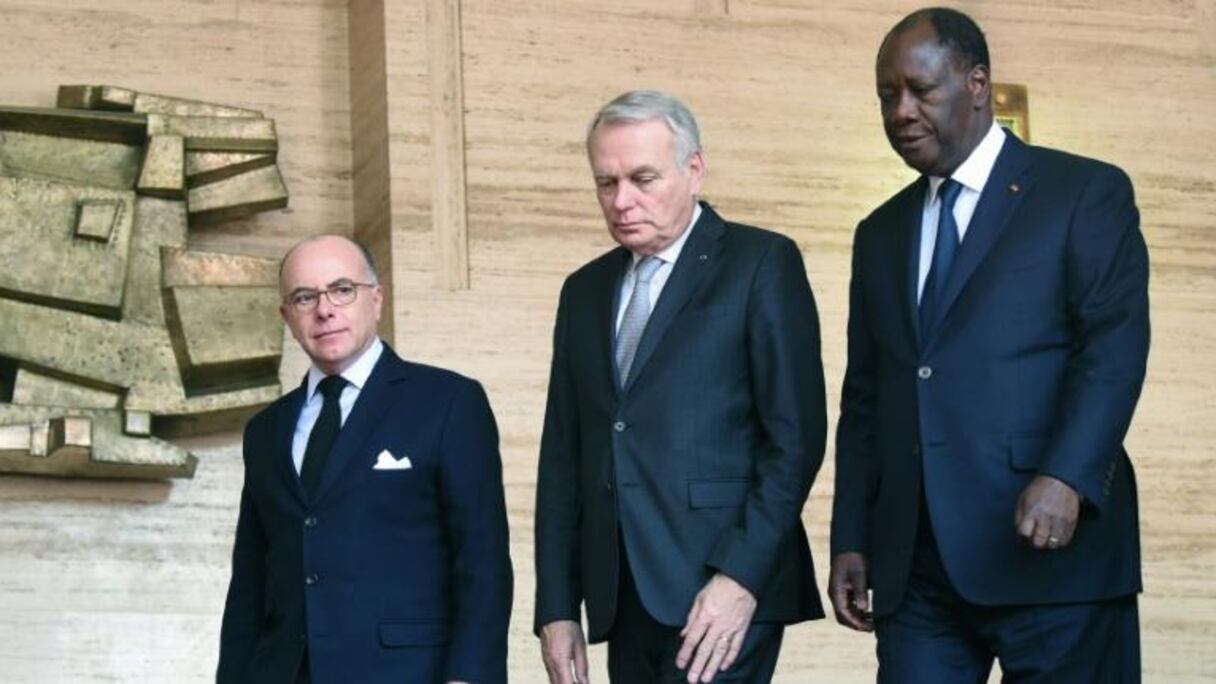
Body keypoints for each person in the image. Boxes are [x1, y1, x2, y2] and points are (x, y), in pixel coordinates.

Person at [829, 8, 1149, 682]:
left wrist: (1067, 474)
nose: (901, 111)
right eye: (887, 95)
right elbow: (867, 396)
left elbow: (1113, 347)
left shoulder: (1083, 192)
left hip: (1055, 555)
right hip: (918, 570)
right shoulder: (879, 232)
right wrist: (852, 536)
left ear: (978, 84)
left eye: (921, 89)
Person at [534, 90, 827, 684]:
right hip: (623, 592)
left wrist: (739, 578)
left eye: (643, 178)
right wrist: (558, 606)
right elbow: (563, 456)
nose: (622, 201)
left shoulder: (761, 262)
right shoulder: (583, 292)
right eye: (606, 183)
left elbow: (794, 440)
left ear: (694, 169)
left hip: (719, 587)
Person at [217, 235, 512, 684]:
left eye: (342, 289)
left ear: (376, 299)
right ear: (286, 317)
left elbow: (481, 557)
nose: (324, 309)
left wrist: (471, 675)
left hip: (406, 671)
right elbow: (249, 584)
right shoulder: (265, 430)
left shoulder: (448, 401)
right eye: (304, 297)